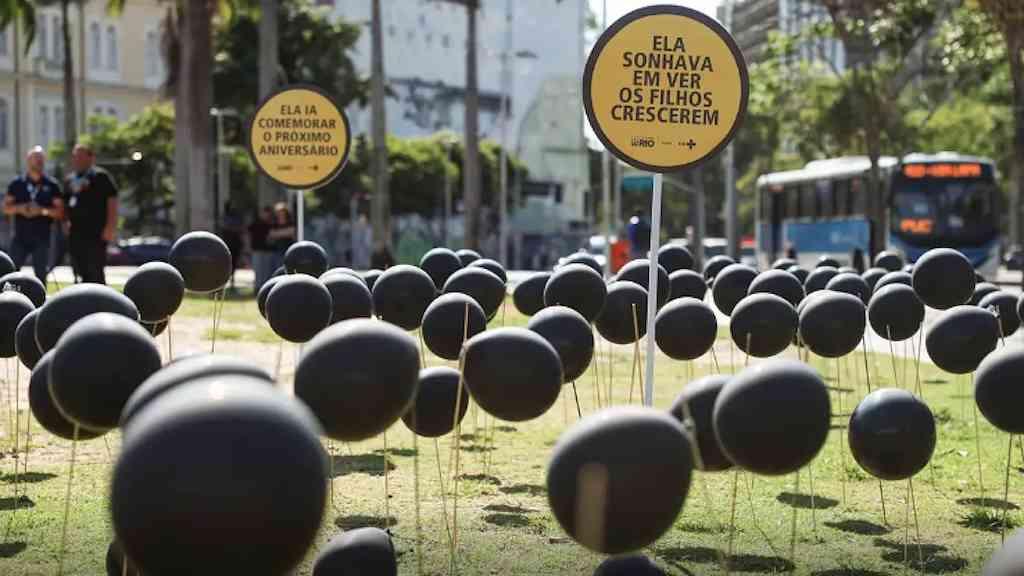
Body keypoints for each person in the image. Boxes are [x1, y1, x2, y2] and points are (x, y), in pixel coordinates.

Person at [3, 146, 63, 284]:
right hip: (20, 237)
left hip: (42, 238)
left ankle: (42, 303)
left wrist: (42, 210)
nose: (39, 162)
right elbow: (6, 208)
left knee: (41, 275)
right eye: (36, 158)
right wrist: (20, 208)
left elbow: (60, 212)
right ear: (28, 160)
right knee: (10, 272)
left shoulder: (52, 185)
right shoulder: (17, 183)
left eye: (41, 159)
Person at [65, 143, 118, 284]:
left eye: (81, 156)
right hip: (76, 233)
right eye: (75, 157)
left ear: (91, 158)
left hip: (97, 233)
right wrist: (65, 224)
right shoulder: (70, 180)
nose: (77, 160)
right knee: (79, 269)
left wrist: (110, 227)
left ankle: (101, 302)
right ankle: (82, 301)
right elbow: (65, 205)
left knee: (96, 270)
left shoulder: (101, 176)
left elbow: (112, 202)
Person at [218, 201, 243, 291]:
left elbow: (240, 228)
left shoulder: (237, 217)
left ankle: (232, 283)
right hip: (226, 244)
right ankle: (222, 285)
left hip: (235, 244)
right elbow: (225, 227)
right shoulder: (225, 217)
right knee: (225, 266)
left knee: (234, 265)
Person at [248, 206, 274, 292]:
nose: (266, 215)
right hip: (257, 250)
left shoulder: (272, 224)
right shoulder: (255, 223)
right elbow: (247, 234)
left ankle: (265, 289)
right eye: (264, 213)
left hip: (268, 251)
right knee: (258, 271)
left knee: (266, 272)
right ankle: (257, 289)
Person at [267, 202, 296, 272]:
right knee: (277, 270)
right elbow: (271, 234)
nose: (280, 214)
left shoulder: (290, 222)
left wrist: (278, 234)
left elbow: (291, 232)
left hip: (288, 250)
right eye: (278, 212)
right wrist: (284, 233)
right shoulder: (274, 223)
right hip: (276, 251)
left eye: (282, 212)